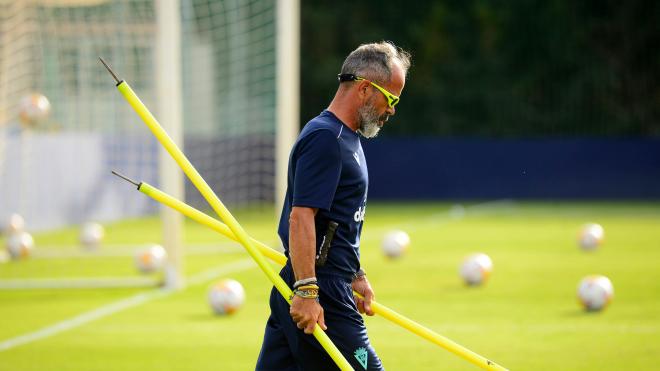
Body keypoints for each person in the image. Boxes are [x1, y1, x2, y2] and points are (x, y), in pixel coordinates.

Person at [256, 41, 411, 371]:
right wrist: (307, 291)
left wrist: (356, 273)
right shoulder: (327, 138)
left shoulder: (347, 137)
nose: (393, 110)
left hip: (325, 284)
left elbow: (337, 220)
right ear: (366, 89)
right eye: (392, 98)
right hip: (321, 293)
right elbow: (301, 217)